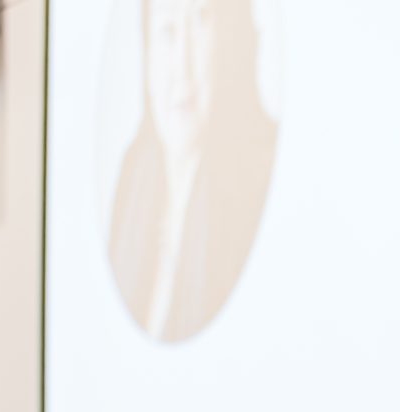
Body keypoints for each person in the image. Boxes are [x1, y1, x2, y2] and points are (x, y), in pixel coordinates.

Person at [108, 0, 280, 345]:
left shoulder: (262, 179)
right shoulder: (133, 179)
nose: (182, 67)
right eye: (167, 33)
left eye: (200, 25)